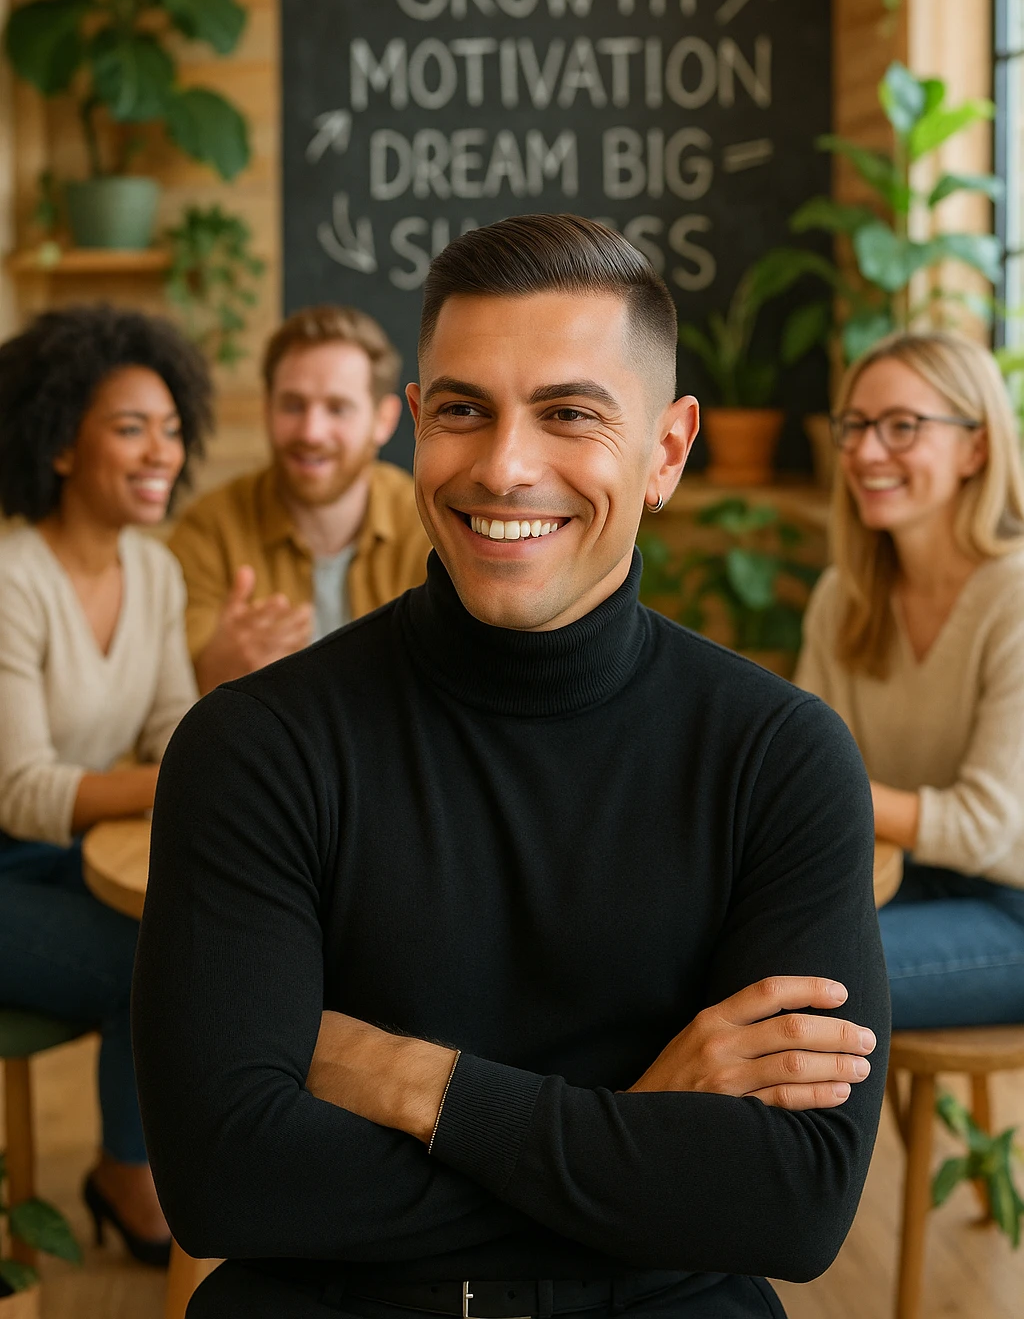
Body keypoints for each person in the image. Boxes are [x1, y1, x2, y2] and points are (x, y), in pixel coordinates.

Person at [133, 214, 889, 1319]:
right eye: (462, 411)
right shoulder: (255, 746)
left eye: (569, 413)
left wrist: (413, 1083)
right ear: (414, 429)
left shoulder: (778, 756)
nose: (502, 467)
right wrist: (636, 1128)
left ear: (665, 452)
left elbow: (792, 1204)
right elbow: (224, 1182)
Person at [0, 304, 212, 1264]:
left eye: (170, 430)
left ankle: (153, 1163)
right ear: (57, 446)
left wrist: (190, 761)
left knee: (198, 922)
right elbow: (24, 792)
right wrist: (180, 778)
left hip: (64, 860)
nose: (159, 453)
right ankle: (130, 1173)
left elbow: (172, 731)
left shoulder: (155, 572)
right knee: (157, 957)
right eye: (130, 429)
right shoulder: (11, 577)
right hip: (10, 860)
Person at [796, 328, 1024, 1029]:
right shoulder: (846, 596)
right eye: (856, 426)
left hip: (1011, 910)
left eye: (902, 427)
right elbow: (800, 766)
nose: (865, 452)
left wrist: (841, 793)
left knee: (789, 980)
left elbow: (988, 824)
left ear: (975, 448)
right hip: (901, 881)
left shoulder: (1014, 596)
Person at [169, 305, 430, 693]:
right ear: (266, 408)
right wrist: (214, 669)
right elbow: (165, 698)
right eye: (293, 405)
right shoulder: (209, 530)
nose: (311, 431)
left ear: (385, 420)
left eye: (337, 408)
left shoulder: (430, 528)